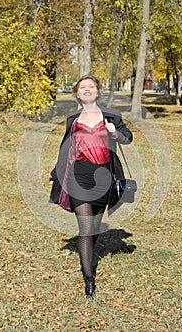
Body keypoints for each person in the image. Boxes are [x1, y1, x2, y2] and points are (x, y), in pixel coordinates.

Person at [49, 74, 133, 298]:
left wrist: (115, 133)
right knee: (85, 228)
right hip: (79, 174)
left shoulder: (111, 116)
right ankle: (89, 280)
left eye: (91, 87)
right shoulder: (73, 119)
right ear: (77, 93)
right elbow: (66, 148)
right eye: (82, 87)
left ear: (97, 91)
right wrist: (55, 172)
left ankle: (87, 253)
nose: (87, 90)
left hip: (104, 175)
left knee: (94, 227)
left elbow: (128, 138)